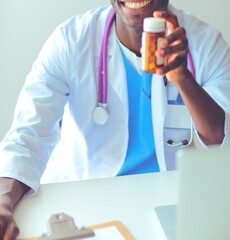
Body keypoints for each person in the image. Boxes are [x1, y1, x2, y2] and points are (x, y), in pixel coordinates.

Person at [1, 0, 230, 239]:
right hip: (85, 203)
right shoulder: (70, 41)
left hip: (171, 202)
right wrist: (2, 202)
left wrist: (183, 79)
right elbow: (26, 137)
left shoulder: (207, 44)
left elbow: (221, 147)